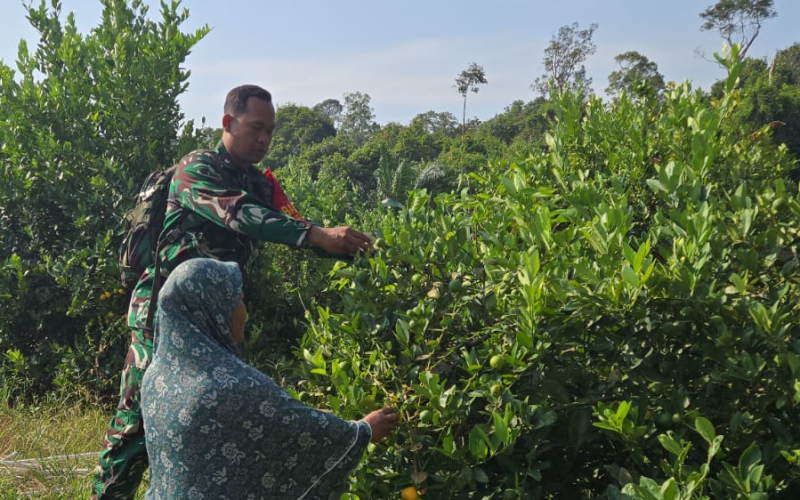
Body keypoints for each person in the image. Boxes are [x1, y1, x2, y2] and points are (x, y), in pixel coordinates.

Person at [91, 84, 374, 499]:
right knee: (135, 427)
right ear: (228, 122)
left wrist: (356, 251)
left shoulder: (259, 184)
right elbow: (240, 214)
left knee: (210, 422)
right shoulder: (196, 168)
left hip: (217, 323)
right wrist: (314, 235)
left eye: (270, 131)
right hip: (162, 316)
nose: (264, 139)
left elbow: (294, 224)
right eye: (256, 127)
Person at [140, 258, 398, 499]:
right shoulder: (231, 386)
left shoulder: (156, 378)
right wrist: (363, 431)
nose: (244, 311)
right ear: (215, 307)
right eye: (238, 300)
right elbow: (302, 433)